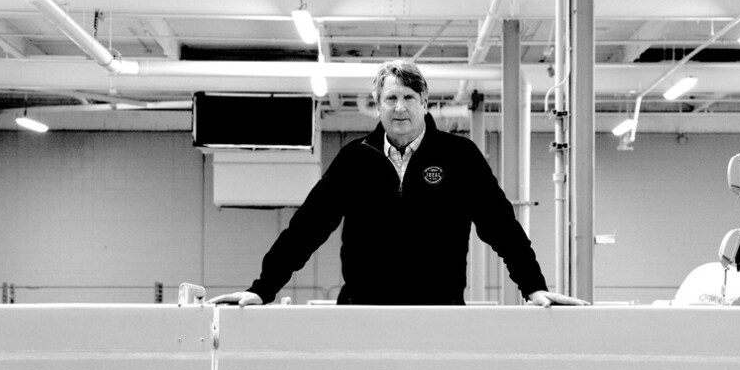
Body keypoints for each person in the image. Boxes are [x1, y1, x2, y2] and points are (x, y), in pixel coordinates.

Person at [210, 60, 586, 307]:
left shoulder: (460, 156)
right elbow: (306, 228)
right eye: (390, 98)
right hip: (362, 311)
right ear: (377, 104)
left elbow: (501, 225)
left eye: (408, 97)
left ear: (425, 102)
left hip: (438, 311)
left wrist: (532, 286)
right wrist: (263, 289)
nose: (400, 107)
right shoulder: (355, 159)